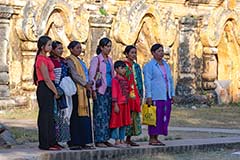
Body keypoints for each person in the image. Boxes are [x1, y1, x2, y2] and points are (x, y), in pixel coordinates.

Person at [143, 43, 175, 146]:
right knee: (155, 116)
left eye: (162, 51)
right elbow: (147, 82)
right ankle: (152, 137)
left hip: (166, 94)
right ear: (153, 53)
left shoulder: (166, 65)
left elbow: (170, 80)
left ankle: (157, 137)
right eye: (159, 51)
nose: (161, 53)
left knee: (163, 116)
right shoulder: (149, 66)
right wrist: (149, 96)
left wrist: (172, 94)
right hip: (156, 95)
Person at [33, 35, 60, 150]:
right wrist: (55, 91)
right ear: (42, 46)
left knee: (50, 116)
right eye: (49, 45)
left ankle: (52, 141)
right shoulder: (40, 59)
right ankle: (45, 143)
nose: (50, 47)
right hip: (45, 87)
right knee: (45, 116)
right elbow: (46, 78)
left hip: (49, 87)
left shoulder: (47, 58)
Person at [66, 41, 94, 150]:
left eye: (80, 48)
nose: (80, 50)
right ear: (71, 49)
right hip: (77, 91)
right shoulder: (70, 60)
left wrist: (89, 83)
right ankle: (75, 142)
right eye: (77, 48)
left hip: (84, 90)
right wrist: (85, 83)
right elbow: (74, 75)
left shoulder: (80, 61)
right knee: (76, 117)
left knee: (85, 117)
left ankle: (85, 141)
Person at [89, 37, 114, 147]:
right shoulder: (96, 60)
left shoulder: (110, 60)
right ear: (101, 47)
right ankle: (99, 139)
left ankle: (105, 138)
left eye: (110, 46)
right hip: (100, 90)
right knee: (100, 115)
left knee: (108, 114)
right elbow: (91, 76)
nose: (109, 49)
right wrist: (93, 90)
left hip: (109, 89)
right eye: (107, 46)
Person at [49, 41, 71, 147]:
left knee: (64, 115)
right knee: (56, 115)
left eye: (62, 48)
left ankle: (62, 139)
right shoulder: (50, 61)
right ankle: (55, 140)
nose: (61, 51)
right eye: (58, 48)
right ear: (52, 50)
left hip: (65, 90)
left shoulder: (64, 61)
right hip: (56, 90)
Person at [123, 45, 143, 146]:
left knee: (133, 116)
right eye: (132, 52)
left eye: (135, 53)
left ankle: (129, 138)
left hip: (135, 95)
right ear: (126, 54)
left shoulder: (137, 66)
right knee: (125, 115)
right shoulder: (123, 66)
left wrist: (141, 94)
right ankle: (121, 138)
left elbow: (139, 80)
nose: (134, 55)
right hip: (126, 94)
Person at [110, 60, 131, 147]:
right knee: (117, 122)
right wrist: (115, 104)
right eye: (122, 68)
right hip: (118, 104)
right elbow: (114, 92)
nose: (124, 70)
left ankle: (122, 139)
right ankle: (116, 140)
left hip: (125, 104)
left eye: (124, 68)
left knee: (124, 122)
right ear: (116, 69)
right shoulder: (115, 80)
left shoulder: (125, 79)